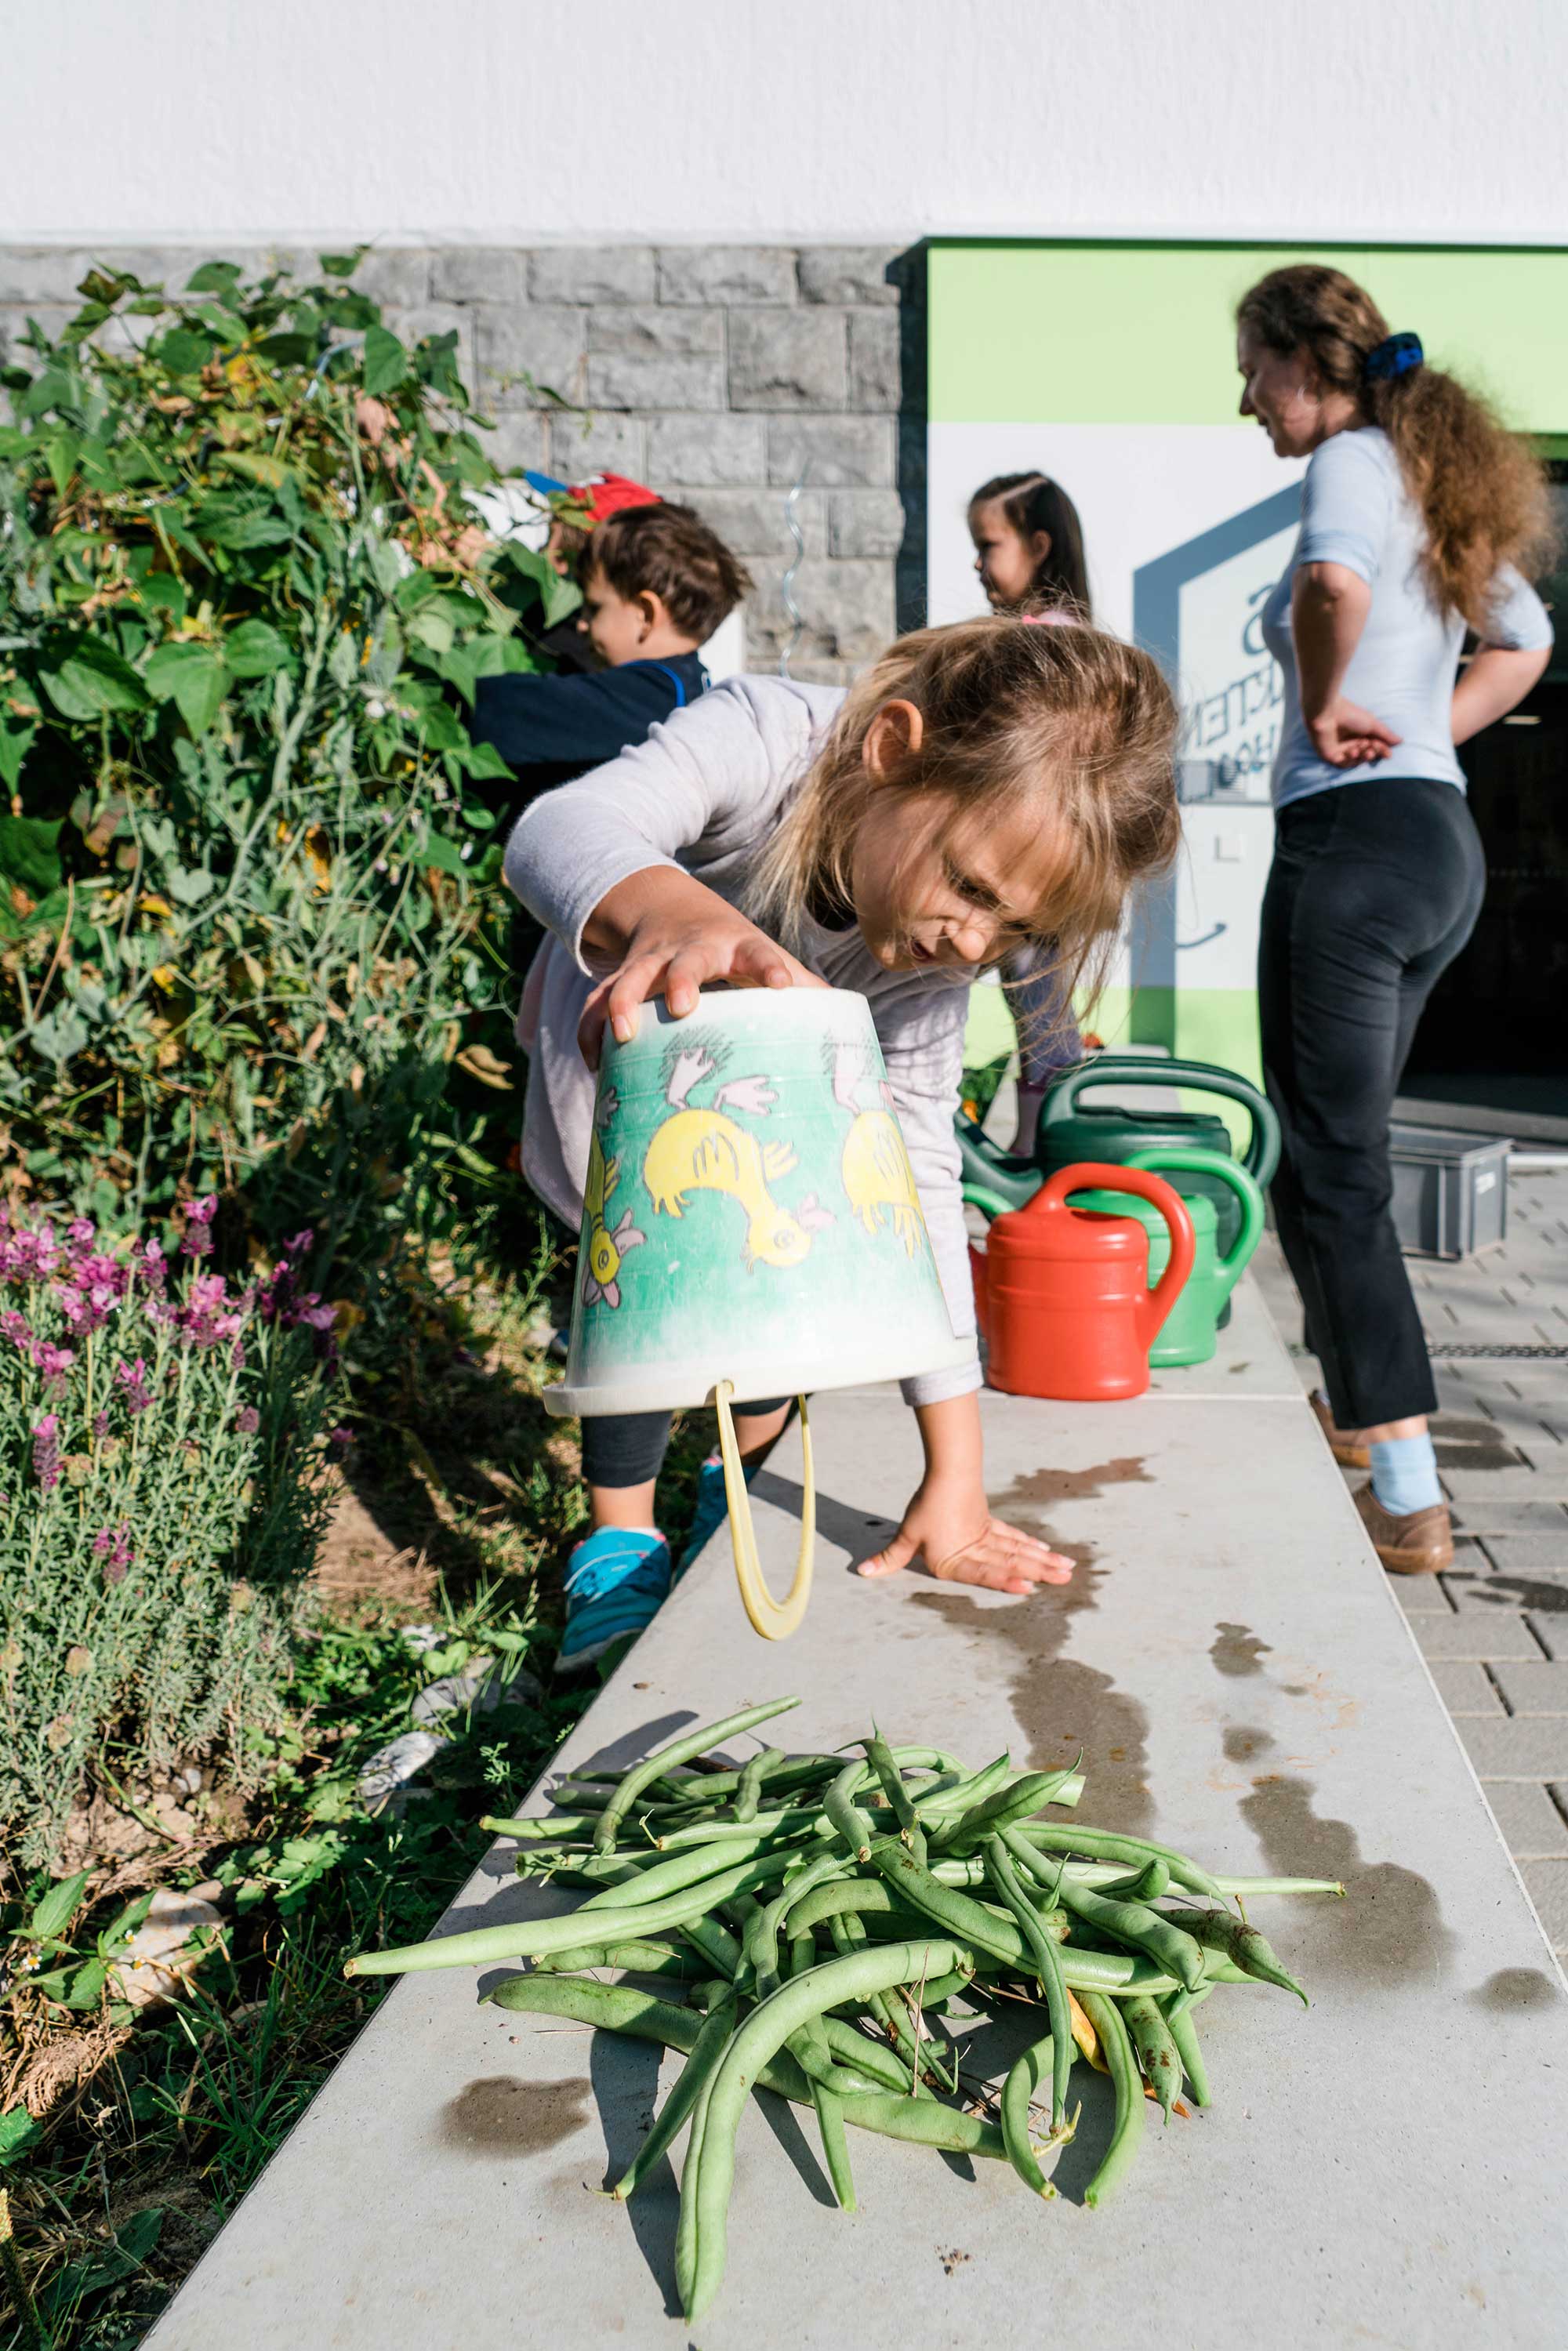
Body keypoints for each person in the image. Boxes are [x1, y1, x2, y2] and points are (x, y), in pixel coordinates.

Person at [507, 617, 1181, 1667]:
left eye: (1010, 933)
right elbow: (558, 829)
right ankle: (617, 1535)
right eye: (968, 888)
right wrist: (674, 911)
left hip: (777, 1142)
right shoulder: (765, 740)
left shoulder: (928, 962)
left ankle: (725, 1498)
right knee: (646, 1277)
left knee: (796, 1270)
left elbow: (910, 1169)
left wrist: (955, 1470)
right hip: (624, 1099)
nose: (970, 944)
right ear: (894, 749)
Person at [1236, 263, 1555, 1574]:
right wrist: (1427, 730)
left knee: (1339, 1168)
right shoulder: (1428, 483)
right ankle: (1364, 1420)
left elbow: (1330, 591)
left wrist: (1324, 708)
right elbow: (1525, 641)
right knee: (1321, 1160)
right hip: (1439, 847)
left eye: (1253, 367)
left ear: (1306, 364)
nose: (1243, 396)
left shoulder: (1354, 463)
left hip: (1353, 843)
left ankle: (1408, 1485)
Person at [470, 499, 751, 976]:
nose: (581, 625)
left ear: (644, 613)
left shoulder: (650, 698)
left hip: (588, 962)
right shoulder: (687, 687)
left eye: (593, 607)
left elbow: (495, 713)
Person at [967, 473, 1097, 1152]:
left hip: (1029, 863)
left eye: (988, 544)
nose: (978, 564)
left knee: (1040, 1014)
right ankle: (1035, 1150)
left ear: (1038, 546)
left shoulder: (1039, 643)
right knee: (1039, 1011)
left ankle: (1046, 1155)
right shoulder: (1068, 635)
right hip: (1050, 860)